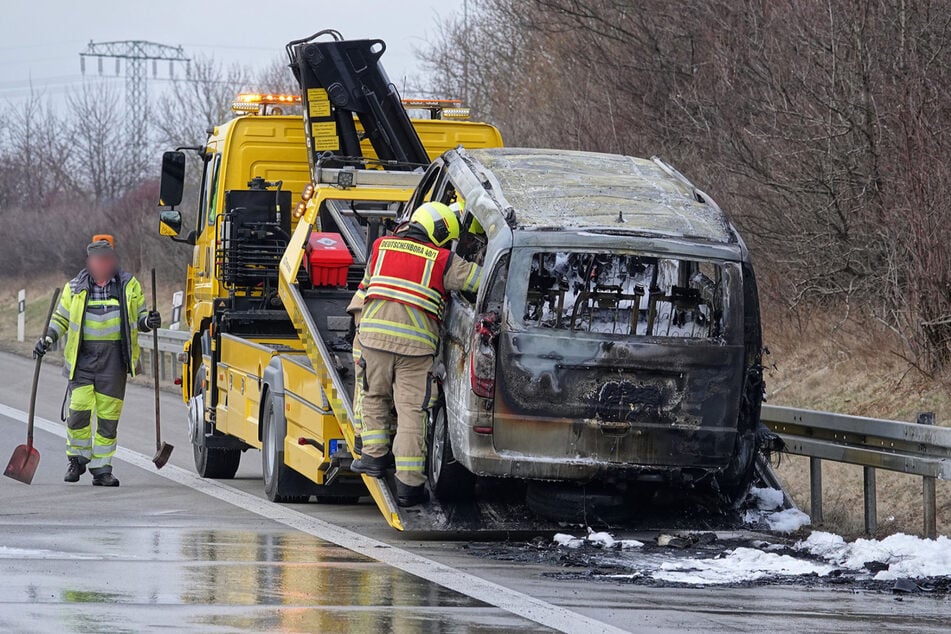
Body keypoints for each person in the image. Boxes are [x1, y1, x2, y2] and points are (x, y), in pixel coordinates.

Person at [349, 202, 481, 506]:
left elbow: (366, 289)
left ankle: (373, 457)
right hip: (416, 350)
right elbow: (478, 281)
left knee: (374, 397)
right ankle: (408, 487)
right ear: (440, 233)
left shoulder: (381, 246)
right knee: (411, 412)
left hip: (373, 342)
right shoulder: (442, 259)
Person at [34, 235, 161, 487]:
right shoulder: (75, 288)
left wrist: (150, 321)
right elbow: (60, 319)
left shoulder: (129, 285)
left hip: (115, 360)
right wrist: (47, 339)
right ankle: (77, 459)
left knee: (108, 417)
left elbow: (140, 318)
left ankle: (102, 469)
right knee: (78, 411)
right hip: (83, 358)